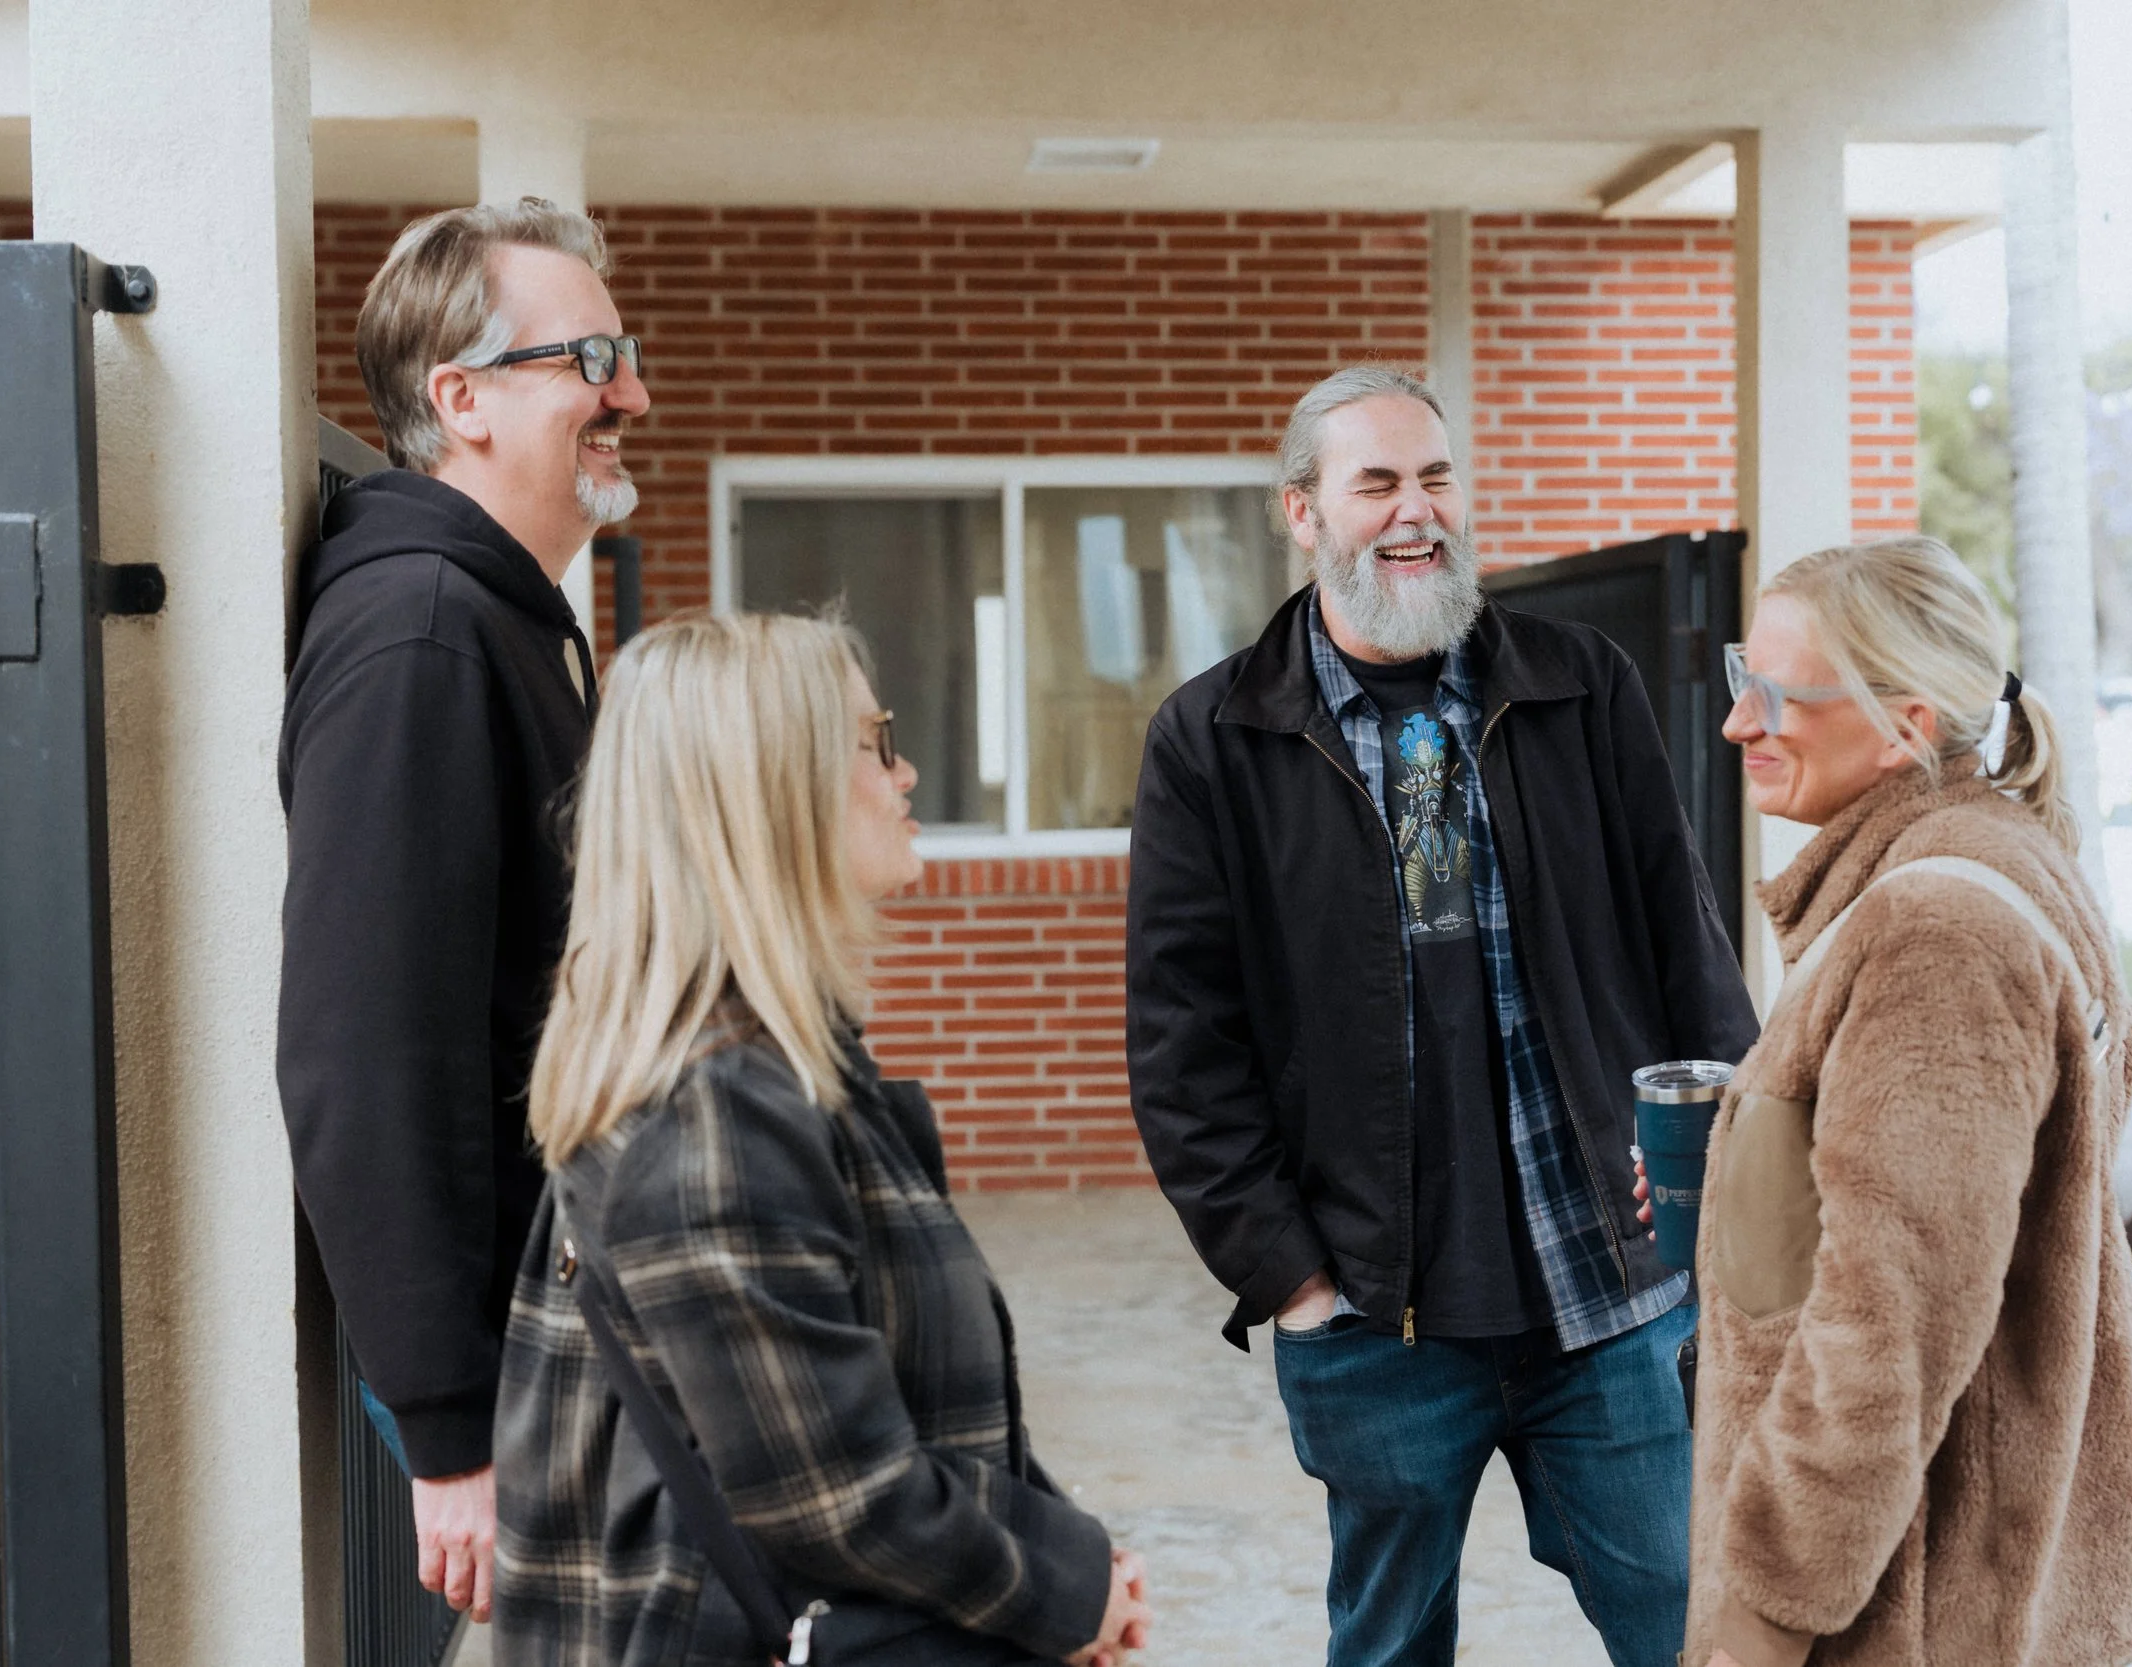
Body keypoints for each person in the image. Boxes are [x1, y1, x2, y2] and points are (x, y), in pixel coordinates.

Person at [1126, 366, 1760, 1667]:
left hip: (1609, 1292)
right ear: (1301, 515)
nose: (1417, 512)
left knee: (1695, 1623)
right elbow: (1182, 1041)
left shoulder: (1583, 682)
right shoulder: (1213, 737)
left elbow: (1683, 940)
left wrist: (1718, 1191)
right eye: (1377, 484)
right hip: (1375, 1312)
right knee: (1391, 1642)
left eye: (1437, 476)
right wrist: (1288, 1277)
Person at [492, 613, 1150, 1667]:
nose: (907, 772)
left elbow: (900, 1416)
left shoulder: (776, 1071)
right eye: (874, 739)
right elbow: (834, 1487)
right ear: (774, 792)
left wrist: (1071, 1563)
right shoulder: (714, 1110)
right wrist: (1069, 1590)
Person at [1660, 536, 2132, 1667]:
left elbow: (1887, 1322)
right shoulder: (1981, 859)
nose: (1739, 722)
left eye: (1776, 694)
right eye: (1745, 676)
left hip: (1915, 1606)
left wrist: (1764, 1620)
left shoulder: (1936, 929)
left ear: (1907, 723)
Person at [278, 197, 647, 1623]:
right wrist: (451, 1431)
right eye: (594, 357)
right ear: (462, 398)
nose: (634, 392)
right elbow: (361, 1049)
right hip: (505, 1359)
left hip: (562, 1315)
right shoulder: (423, 632)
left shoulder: (507, 613)